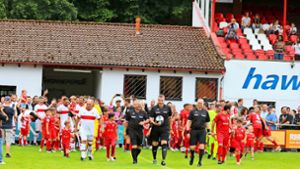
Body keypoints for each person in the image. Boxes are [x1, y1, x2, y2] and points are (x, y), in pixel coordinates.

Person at [149, 95, 172, 166]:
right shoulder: (154, 108)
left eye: (162, 100)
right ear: (157, 100)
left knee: (164, 143)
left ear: (164, 100)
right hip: (156, 128)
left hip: (165, 128)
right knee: (154, 144)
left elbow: (170, 118)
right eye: (159, 100)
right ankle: (154, 159)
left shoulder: (168, 108)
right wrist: (154, 123)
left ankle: (163, 160)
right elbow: (151, 118)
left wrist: (170, 128)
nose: (160, 102)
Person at [186, 99, 210, 167]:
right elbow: (189, 121)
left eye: (201, 103)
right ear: (197, 103)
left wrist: (208, 131)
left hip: (202, 131)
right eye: (199, 103)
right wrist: (187, 131)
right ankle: (192, 156)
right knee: (192, 147)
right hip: (193, 130)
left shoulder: (205, 112)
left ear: (203, 104)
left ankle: (200, 161)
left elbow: (207, 122)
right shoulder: (192, 111)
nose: (200, 104)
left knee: (202, 146)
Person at [124, 100, 148, 164]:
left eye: (138, 104)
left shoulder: (143, 112)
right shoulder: (130, 112)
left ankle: (135, 157)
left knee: (139, 148)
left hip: (140, 131)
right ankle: (135, 161)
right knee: (134, 146)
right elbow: (126, 121)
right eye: (135, 104)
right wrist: (125, 131)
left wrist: (144, 122)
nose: (137, 105)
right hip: (132, 130)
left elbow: (148, 119)